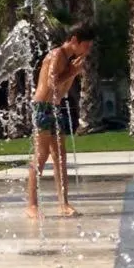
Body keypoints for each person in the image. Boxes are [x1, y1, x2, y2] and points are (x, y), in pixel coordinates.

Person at [26, 22, 95, 219]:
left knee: (60, 157)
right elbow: (50, 83)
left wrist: (74, 72)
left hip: (55, 108)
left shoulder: (70, 60)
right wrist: (73, 72)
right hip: (42, 108)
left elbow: (62, 91)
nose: (88, 49)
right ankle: (31, 205)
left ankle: (63, 203)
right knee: (41, 155)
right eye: (86, 45)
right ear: (74, 40)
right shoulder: (57, 55)